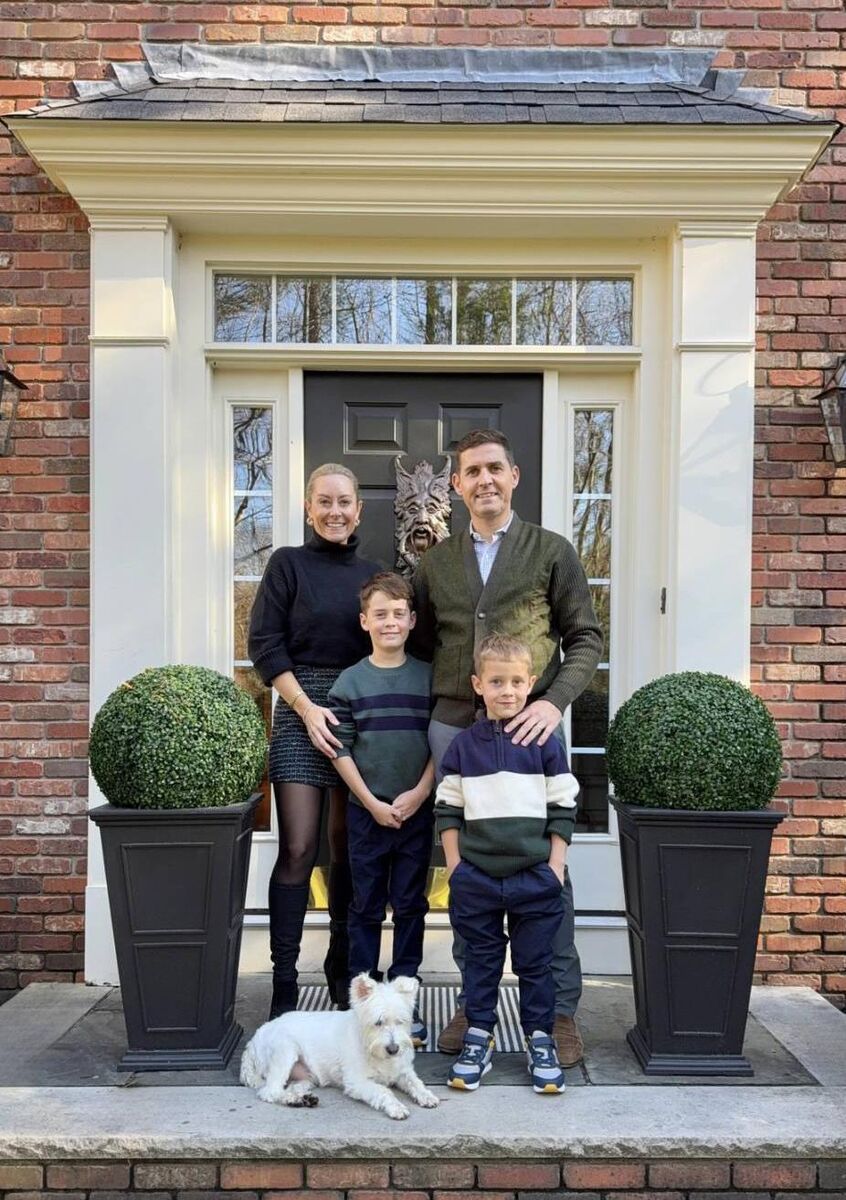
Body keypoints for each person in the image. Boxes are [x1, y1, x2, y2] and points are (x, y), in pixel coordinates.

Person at [413, 428, 602, 1065]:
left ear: (514, 475)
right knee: (467, 874)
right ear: (457, 485)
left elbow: (586, 640)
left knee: (549, 874)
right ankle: (475, 1003)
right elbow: (417, 645)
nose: (484, 480)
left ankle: (561, 1011)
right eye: (471, 472)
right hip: (456, 731)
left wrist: (552, 703)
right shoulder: (435, 563)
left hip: (533, 730)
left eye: (495, 467)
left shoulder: (551, 550)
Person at [249, 463, 379, 1020]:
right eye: (323, 502)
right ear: (308, 508)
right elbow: (264, 644)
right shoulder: (287, 565)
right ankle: (283, 980)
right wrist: (304, 708)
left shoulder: (376, 573)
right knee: (300, 848)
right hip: (301, 705)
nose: (334, 512)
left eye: (344, 502)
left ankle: (342, 967)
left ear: (359, 509)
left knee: (348, 850)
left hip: (358, 709)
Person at [437, 633, 579, 1093]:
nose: (508, 691)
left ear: (531, 683)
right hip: (477, 878)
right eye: (497, 681)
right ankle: (479, 1037)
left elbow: (563, 805)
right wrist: (457, 867)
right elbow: (448, 809)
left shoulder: (544, 743)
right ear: (478, 684)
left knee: (536, 965)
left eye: (517, 682)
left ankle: (540, 1039)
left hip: (534, 877)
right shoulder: (463, 747)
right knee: (481, 963)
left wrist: (555, 864)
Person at [328, 571, 435, 1047]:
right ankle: (365, 1003)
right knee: (366, 905)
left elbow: (440, 744)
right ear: (364, 621)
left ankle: (405, 1001)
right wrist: (370, 802)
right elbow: (340, 750)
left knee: (412, 903)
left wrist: (419, 793)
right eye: (380, 614)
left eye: (398, 613)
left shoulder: (428, 677)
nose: (389, 622)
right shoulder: (350, 683)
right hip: (365, 813)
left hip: (418, 810)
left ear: (412, 620)